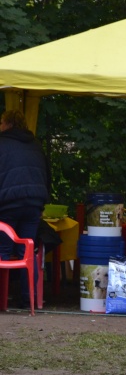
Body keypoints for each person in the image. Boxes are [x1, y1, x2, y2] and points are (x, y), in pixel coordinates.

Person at [0, 109, 49, 308]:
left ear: (8, 124)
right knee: (27, 251)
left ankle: (2, 300)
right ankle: (30, 298)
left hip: (7, 204)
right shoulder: (36, 145)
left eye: (1, 122)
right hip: (33, 204)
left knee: (2, 250)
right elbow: (48, 175)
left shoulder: (1, 143)